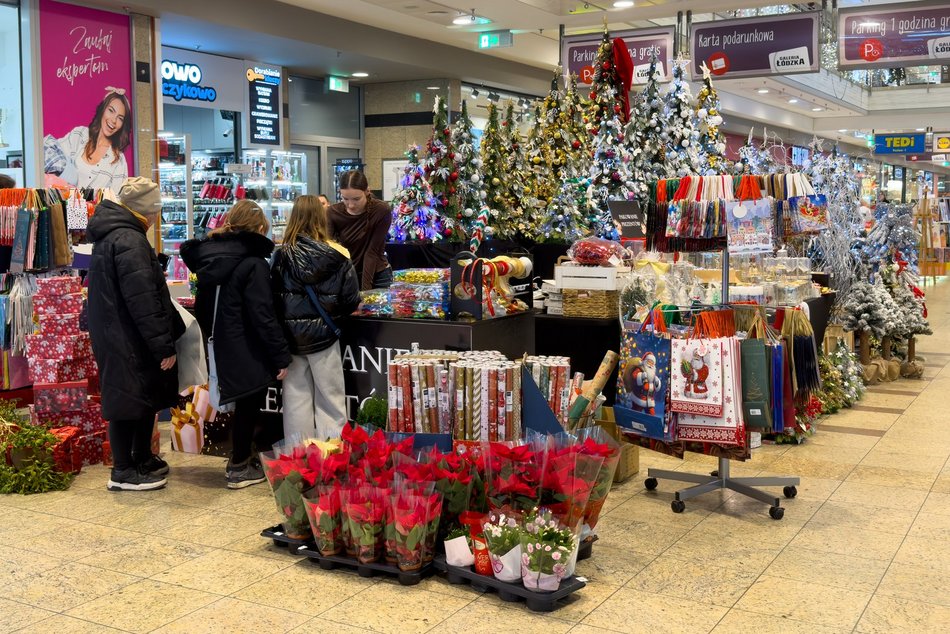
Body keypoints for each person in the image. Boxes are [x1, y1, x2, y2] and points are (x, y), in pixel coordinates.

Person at [181, 200, 292, 489]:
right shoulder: (254, 263)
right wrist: (280, 355)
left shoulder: (208, 258)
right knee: (249, 403)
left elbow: (203, 305)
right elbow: (262, 314)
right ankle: (240, 465)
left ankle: (240, 459)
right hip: (247, 344)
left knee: (240, 402)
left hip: (219, 341)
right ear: (258, 228)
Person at [87, 177, 185, 491]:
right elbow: (143, 300)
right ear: (145, 210)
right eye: (155, 210)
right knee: (127, 402)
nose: (157, 217)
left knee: (141, 399)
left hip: (119, 333)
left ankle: (142, 458)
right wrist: (163, 346)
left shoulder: (117, 235)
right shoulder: (129, 239)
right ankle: (124, 470)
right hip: (126, 336)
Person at [272, 195, 361, 440]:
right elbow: (351, 300)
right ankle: (331, 457)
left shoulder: (280, 256)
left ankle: (298, 459)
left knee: (295, 401)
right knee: (331, 400)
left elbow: (273, 298)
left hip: (291, 340)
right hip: (324, 336)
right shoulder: (338, 253)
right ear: (321, 218)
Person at [44, 87, 131, 190]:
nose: (113, 120)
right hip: (59, 204)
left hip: (95, 206)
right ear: (103, 109)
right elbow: (53, 155)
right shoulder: (79, 134)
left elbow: (115, 201)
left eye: (120, 118)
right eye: (111, 110)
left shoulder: (119, 161)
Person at [327, 171, 392, 290]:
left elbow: (372, 252)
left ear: (367, 191)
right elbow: (329, 249)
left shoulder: (381, 210)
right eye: (345, 199)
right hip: (347, 274)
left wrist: (365, 292)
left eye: (356, 199)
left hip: (377, 275)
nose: (350, 205)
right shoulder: (332, 212)